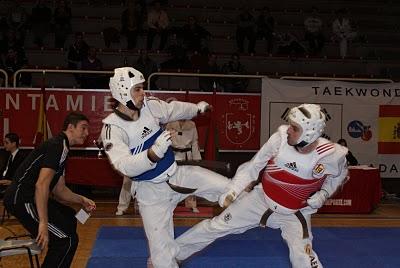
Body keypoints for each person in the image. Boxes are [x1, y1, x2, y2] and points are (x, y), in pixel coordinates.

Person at [176, 104, 349, 268]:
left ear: (310, 134)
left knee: (303, 257)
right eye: (290, 125)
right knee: (216, 226)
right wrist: (233, 191)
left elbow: (340, 175)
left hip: (294, 213)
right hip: (260, 199)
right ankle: (172, 254)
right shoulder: (280, 139)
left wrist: (324, 193)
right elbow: (254, 166)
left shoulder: (331, 155)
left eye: (295, 128)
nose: (288, 129)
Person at [100, 67, 230, 268]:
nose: (143, 93)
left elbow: (173, 109)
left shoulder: (150, 106)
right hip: (150, 194)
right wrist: (151, 154)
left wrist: (196, 109)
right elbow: (124, 166)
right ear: (122, 91)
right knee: (162, 260)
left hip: (177, 174)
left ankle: (265, 209)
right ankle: (165, 254)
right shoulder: (113, 128)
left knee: (231, 188)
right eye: (138, 89)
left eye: (142, 88)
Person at [3, 112, 96, 268]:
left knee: (69, 217)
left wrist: (82, 200)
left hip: (30, 198)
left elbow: (60, 191)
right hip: (22, 200)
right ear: (70, 127)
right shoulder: (57, 145)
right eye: (83, 128)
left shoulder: (63, 148)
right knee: (66, 240)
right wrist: (43, 224)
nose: (87, 133)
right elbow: (41, 185)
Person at [166, 119, 202, 213]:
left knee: (189, 180)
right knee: (173, 181)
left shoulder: (192, 124)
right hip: (174, 155)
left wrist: (196, 158)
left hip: (187, 155)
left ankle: (191, 205)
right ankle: (169, 204)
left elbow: (194, 142)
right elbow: (166, 140)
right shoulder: (170, 123)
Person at [0, 132, 25, 197]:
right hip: (3, 182)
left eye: (6, 143)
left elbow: (22, 175)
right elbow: (3, 170)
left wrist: (11, 182)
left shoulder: (22, 157)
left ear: (13, 144)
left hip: (12, 185)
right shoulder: (7, 155)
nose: (4, 145)